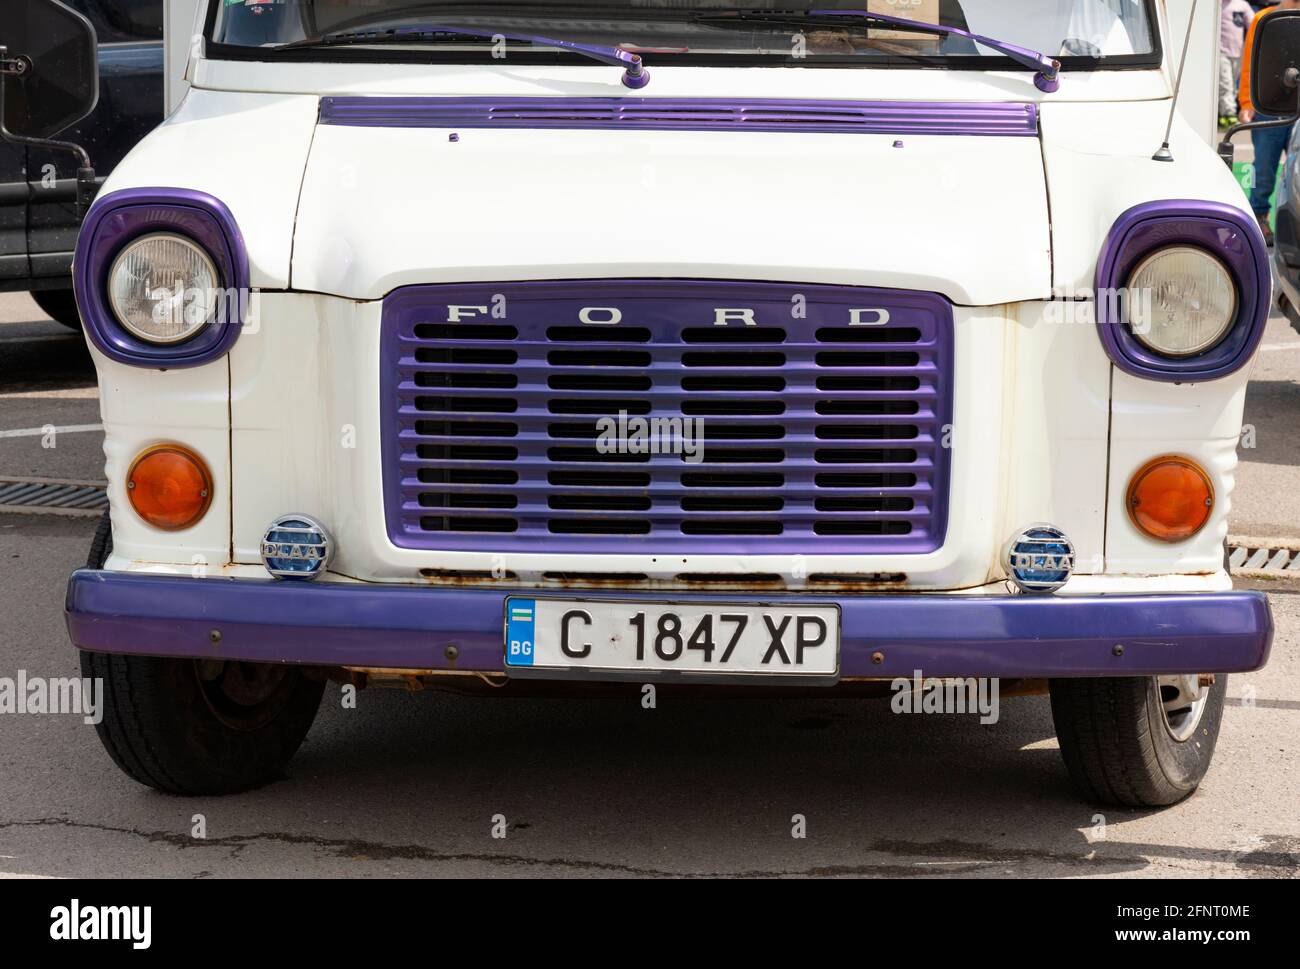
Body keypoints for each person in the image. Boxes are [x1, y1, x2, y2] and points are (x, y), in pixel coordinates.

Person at [1240, 0, 1300, 244]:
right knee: (1262, 168)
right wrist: (1246, 102)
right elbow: (1249, 63)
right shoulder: (1263, 18)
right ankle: (1258, 216)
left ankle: (1293, 223)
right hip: (1269, 107)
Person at [1221, 0, 1255, 127]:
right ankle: (1229, 115)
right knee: (1226, 84)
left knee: (1234, 86)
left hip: (1238, 52)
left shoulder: (1242, 5)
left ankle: (1224, 112)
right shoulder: (1218, 5)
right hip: (1221, 52)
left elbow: (1253, 23)